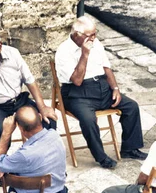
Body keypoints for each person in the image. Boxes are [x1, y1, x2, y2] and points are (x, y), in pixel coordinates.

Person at [0, 32, 57, 186]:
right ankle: (2, 171)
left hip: (18, 100)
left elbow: (30, 81)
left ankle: (44, 163)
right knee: (0, 131)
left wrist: (42, 107)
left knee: (48, 121)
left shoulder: (13, 54)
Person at [54, 16, 147, 168]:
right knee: (88, 120)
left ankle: (129, 148)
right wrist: (84, 54)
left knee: (131, 106)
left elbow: (106, 67)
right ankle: (101, 157)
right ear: (77, 34)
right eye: (90, 35)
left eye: (95, 33)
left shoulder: (96, 43)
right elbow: (77, 80)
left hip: (101, 87)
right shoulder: (64, 51)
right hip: (77, 93)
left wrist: (115, 88)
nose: (93, 38)